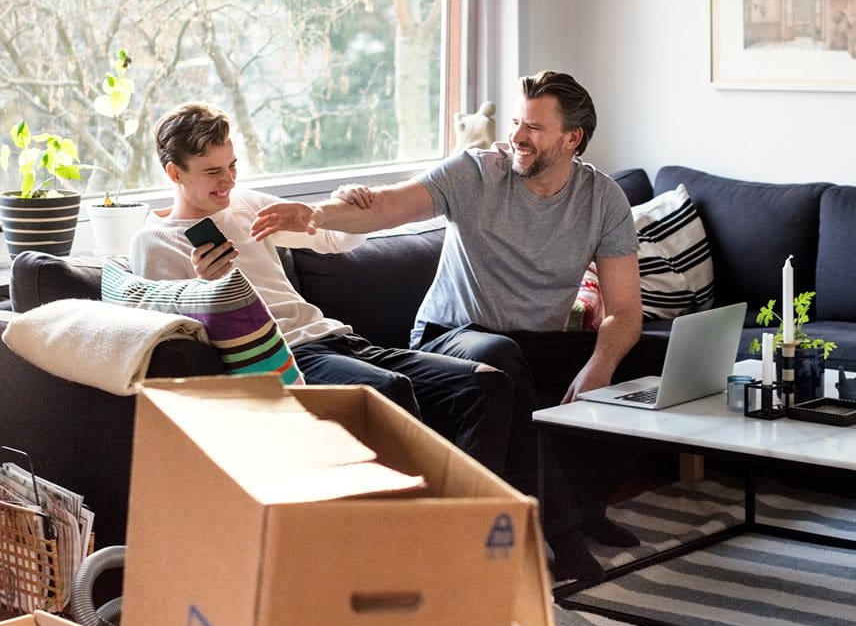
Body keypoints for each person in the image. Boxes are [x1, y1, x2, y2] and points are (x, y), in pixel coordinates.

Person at [251, 71, 652, 583]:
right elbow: (389, 206)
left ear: (573, 138)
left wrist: (601, 364)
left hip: (535, 341)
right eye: (516, 122)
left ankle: (587, 507)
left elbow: (625, 310)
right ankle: (562, 535)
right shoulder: (477, 173)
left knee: (638, 359)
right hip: (453, 335)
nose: (517, 136)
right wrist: (314, 213)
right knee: (502, 358)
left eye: (533, 127)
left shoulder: (602, 198)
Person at [129, 101, 513, 484]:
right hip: (286, 359)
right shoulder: (155, 241)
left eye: (232, 166)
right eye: (213, 171)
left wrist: (347, 201)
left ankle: (480, 516)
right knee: (387, 391)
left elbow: (333, 239)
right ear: (174, 172)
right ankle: (423, 518)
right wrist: (205, 286)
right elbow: (175, 338)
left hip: (336, 340)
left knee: (486, 385)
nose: (228, 180)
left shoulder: (246, 205)